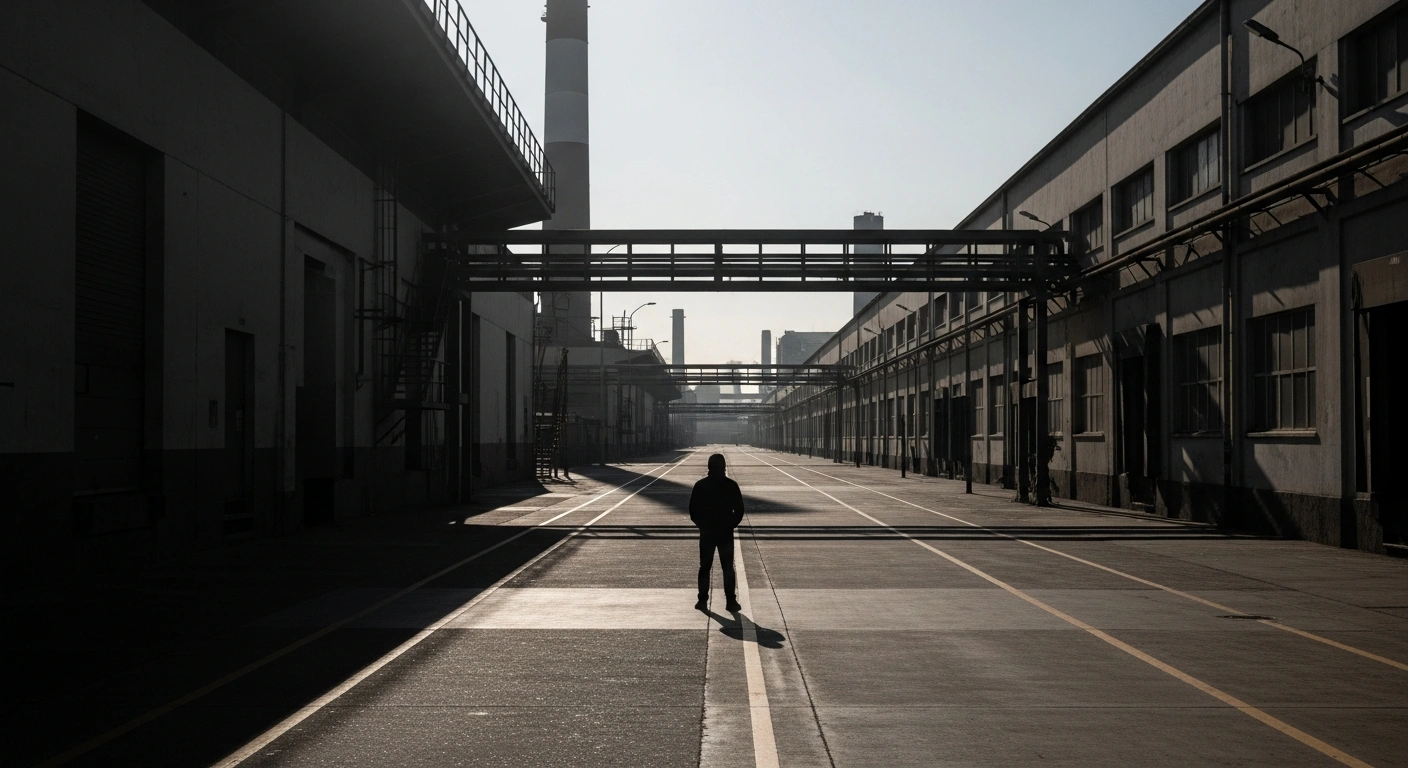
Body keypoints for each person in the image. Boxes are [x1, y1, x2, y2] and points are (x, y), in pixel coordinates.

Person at [689, 453, 745, 612]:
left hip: (707, 532)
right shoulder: (731, 485)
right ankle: (730, 601)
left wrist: (702, 526)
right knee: (727, 567)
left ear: (709, 468)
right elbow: (739, 510)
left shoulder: (700, 485)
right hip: (725, 532)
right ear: (723, 467)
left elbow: (693, 511)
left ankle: (702, 600)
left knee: (705, 566)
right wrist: (731, 524)